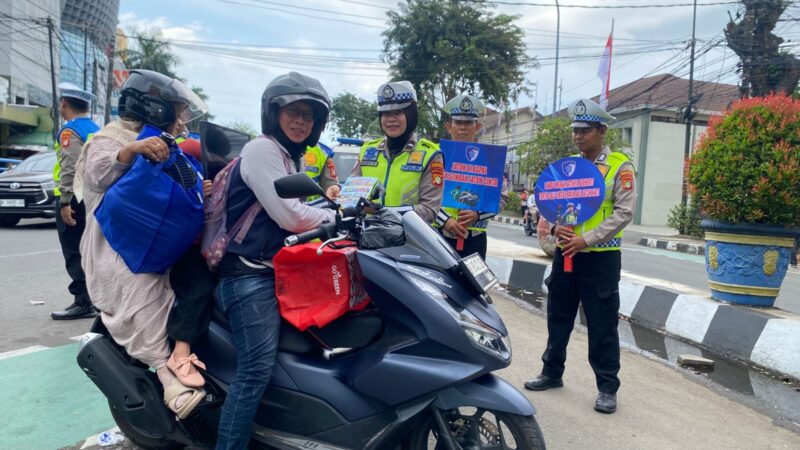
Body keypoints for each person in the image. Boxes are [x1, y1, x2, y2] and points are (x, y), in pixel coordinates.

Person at [214, 72, 336, 449]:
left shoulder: (289, 157)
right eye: (293, 112)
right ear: (273, 113)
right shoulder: (263, 150)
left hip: (274, 271)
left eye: (308, 115)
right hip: (247, 277)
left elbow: (301, 205)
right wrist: (335, 217)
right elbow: (290, 216)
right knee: (255, 371)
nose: (300, 121)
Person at [78, 69, 209, 419]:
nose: (182, 121)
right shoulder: (108, 138)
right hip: (118, 246)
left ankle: (185, 351)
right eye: (177, 113)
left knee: (200, 277)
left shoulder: (165, 144)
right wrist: (131, 150)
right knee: (142, 293)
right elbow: (98, 175)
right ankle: (169, 379)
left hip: (158, 240)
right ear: (155, 109)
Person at [523, 98, 636, 415]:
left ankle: (607, 388)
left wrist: (587, 239)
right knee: (558, 316)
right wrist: (555, 227)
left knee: (602, 325)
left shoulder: (620, 167)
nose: (578, 136)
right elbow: (550, 204)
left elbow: (624, 212)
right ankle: (551, 373)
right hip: (565, 255)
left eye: (585, 131)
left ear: (602, 131)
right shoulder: (567, 167)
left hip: (600, 258)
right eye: (575, 130)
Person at [350, 81, 443, 224]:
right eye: (385, 113)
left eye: (398, 112)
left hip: (407, 236)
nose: (391, 119)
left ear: (411, 114)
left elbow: (429, 210)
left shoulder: (430, 154)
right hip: (366, 234)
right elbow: (352, 196)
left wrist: (379, 211)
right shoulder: (367, 150)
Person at [435, 94, 508, 259]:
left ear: (478, 127)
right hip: (438, 234)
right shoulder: (436, 156)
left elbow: (502, 197)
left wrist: (478, 214)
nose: (463, 127)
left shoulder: (491, 160)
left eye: (468, 123)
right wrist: (445, 220)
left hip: (475, 239)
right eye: (458, 122)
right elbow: (425, 195)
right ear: (449, 126)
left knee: (473, 277)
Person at [50, 83, 100, 320]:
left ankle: (83, 301)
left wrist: (65, 202)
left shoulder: (70, 131)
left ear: (64, 104)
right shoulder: (96, 129)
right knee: (90, 250)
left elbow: (70, 167)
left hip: (74, 199)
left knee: (74, 250)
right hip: (92, 196)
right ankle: (97, 299)